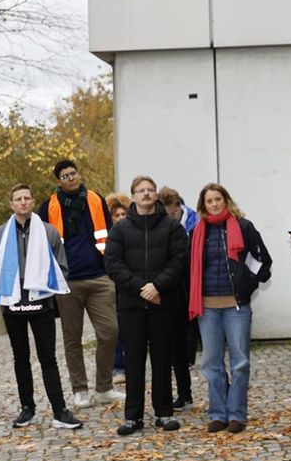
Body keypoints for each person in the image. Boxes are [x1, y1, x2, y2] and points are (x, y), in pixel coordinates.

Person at [0, 184, 82, 431]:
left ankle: (60, 410)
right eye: (18, 199)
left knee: (48, 358)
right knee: (21, 358)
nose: (23, 202)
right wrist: (8, 288)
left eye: (27, 198)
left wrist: (42, 286)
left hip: (41, 303)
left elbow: (62, 268)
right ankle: (27, 408)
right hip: (13, 303)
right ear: (11, 204)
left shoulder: (48, 232)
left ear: (32, 201)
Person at [104, 177, 187, 435]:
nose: (147, 194)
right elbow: (113, 263)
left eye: (151, 190)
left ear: (156, 195)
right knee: (134, 362)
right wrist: (143, 288)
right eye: (141, 191)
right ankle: (133, 417)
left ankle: (163, 413)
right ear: (133, 196)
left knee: (162, 359)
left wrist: (158, 286)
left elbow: (180, 260)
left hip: (163, 303)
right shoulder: (120, 229)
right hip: (132, 304)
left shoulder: (172, 227)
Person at [37, 159, 121, 410]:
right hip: (67, 281)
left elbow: (109, 234)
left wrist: (111, 269)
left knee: (110, 332)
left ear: (79, 174)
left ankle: (104, 387)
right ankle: (80, 390)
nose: (71, 178)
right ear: (58, 181)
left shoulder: (96, 200)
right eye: (65, 176)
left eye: (73, 173)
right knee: (72, 338)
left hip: (99, 277)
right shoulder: (47, 207)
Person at [187, 183, 271, 434]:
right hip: (208, 307)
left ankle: (236, 415)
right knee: (211, 363)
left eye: (218, 199)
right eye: (209, 201)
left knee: (240, 362)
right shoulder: (197, 231)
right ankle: (217, 414)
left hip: (236, 306)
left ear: (226, 200)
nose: (214, 204)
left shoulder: (243, 227)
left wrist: (248, 283)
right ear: (203, 206)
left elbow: (262, 261)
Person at [157, 185, 197, 409]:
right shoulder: (163, 227)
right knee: (177, 347)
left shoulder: (194, 223)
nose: (171, 216)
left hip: (192, 288)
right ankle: (185, 393)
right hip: (174, 291)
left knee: (205, 348)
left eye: (173, 212)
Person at [105, 192, 132, 384]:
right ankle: (118, 366)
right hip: (111, 286)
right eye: (117, 215)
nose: (121, 218)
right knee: (115, 328)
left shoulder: (133, 234)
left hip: (129, 284)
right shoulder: (106, 236)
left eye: (124, 214)